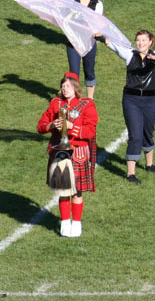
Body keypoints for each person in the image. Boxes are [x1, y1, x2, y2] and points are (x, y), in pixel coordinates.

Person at [36, 72, 98, 237]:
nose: (65, 89)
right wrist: (51, 125)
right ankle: (64, 224)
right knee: (63, 191)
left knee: (77, 191)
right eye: (63, 86)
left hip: (78, 152)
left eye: (68, 86)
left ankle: (76, 224)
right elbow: (40, 126)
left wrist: (72, 127)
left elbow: (91, 131)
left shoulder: (87, 105)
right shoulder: (56, 103)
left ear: (76, 88)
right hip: (60, 152)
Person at [100, 30, 155, 185]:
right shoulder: (130, 55)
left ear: (150, 42)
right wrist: (104, 39)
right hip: (131, 100)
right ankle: (130, 174)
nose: (140, 43)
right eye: (138, 40)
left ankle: (149, 165)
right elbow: (116, 48)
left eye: (143, 40)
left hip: (149, 101)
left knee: (148, 131)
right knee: (135, 134)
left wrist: (152, 57)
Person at [64, 0, 104, 99]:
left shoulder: (97, 4)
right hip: (73, 42)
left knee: (89, 71)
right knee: (74, 73)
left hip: (89, 43)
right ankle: (75, 99)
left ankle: (90, 100)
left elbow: (97, 22)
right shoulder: (70, 0)